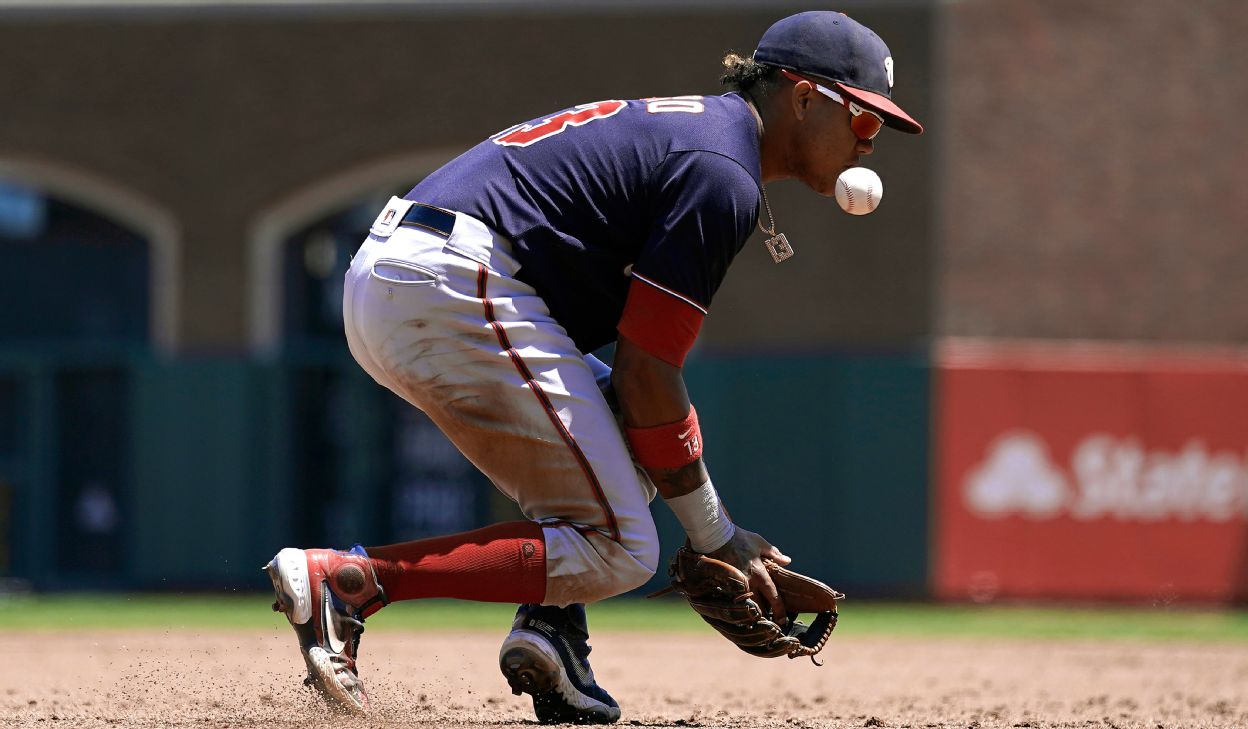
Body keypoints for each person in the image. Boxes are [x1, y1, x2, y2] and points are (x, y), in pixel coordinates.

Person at [264, 10, 922, 724]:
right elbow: (647, 377)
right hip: (450, 280)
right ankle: (351, 583)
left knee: (616, 470)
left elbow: (640, 397)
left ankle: (553, 635)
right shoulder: (721, 171)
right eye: (863, 121)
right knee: (624, 549)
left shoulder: (708, 140)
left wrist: (707, 520)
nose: (871, 142)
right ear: (801, 96)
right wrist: (716, 535)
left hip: (416, 275)